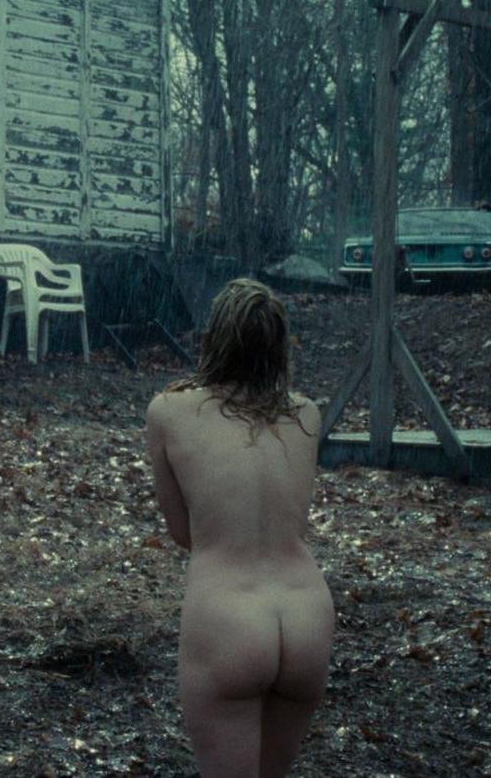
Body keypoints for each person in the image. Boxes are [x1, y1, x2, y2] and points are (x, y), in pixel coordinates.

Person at [145, 278, 334, 778]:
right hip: (307, 615)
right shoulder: (306, 414)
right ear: (279, 344)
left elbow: (183, 532)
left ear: (214, 337)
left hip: (227, 618)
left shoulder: (169, 411)